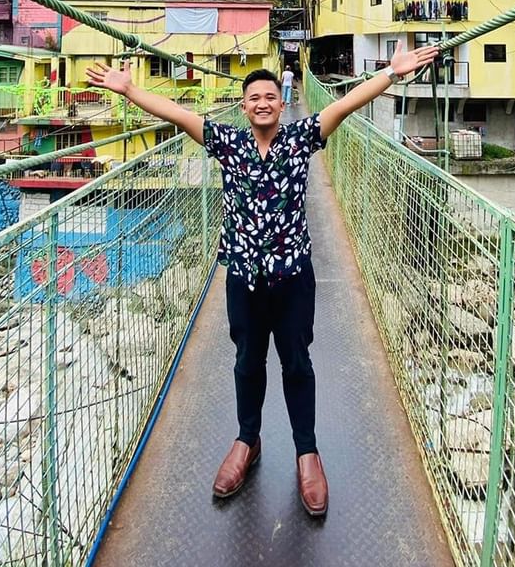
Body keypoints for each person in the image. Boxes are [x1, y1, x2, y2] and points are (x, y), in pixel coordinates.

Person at [86, 40, 438, 517]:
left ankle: (307, 453)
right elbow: (175, 113)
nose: (262, 102)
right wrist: (129, 90)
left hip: (293, 277)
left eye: (270, 95)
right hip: (244, 278)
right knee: (247, 362)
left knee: (297, 363)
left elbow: (346, 103)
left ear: (281, 100)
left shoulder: (301, 138)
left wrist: (391, 75)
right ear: (244, 106)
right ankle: (246, 441)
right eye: (253, 97)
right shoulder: (226, 144)